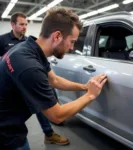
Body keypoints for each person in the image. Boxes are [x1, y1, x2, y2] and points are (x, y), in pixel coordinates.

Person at [0, 8, 107, 150]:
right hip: (6, 132)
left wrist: (84, 87)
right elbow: (57, 116)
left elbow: (54, 80)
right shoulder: (30, 66)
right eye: (72, 41)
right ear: (57, 36)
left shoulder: (29, 48)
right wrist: (91, 95)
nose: (72, 47)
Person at [0, 12, 69, 146]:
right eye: (21, 24)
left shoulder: (27, 43)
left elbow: (54, 80)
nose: (24, 27)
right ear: (13, 24)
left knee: (42, 104)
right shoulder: (2, 40)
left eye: (26, 24)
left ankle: (48, 134)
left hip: (25, 83)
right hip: (10, 86)